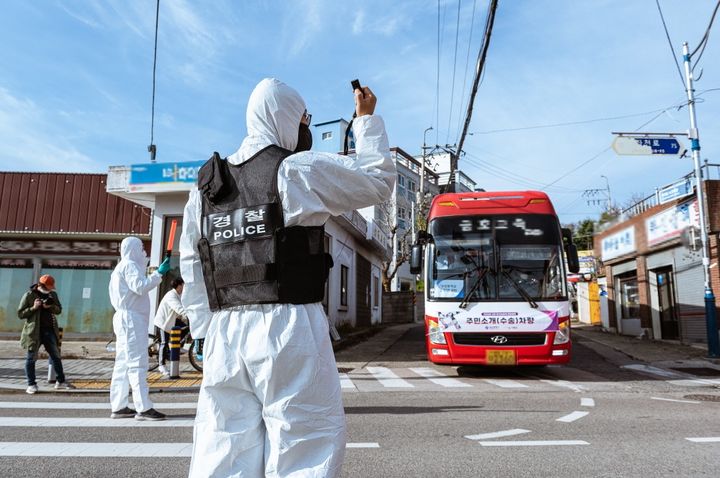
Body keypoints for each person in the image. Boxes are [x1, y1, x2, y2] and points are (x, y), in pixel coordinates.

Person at [180, 78, 395, 477]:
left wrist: (204, 328)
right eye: (303, 118)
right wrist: (365, 120)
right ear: (285, 117)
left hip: (225, 333)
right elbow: (377, 181)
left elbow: (193, 261)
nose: (305, 128)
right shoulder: (295, 171)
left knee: (223, 449)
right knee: (304, 447)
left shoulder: (207, 187)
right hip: (289, 327)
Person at [108, 236, 171, 421]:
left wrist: (152, 273)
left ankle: (118, 406)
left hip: (124, 318)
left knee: (123, 364)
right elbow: (140, 287)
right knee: (137, 363)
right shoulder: (129, 266)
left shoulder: (121, 267)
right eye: (141, 247)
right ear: (133, 248)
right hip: (131, 320)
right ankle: (143, 408)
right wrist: (158, 274)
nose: (143, 251)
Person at [18, 274, 75, 394]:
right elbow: (21, 314)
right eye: (49, 287)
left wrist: (50, 307)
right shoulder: (29, 295)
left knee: (56, 356)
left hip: (49, 330)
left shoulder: (52, 295)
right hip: (34, 332)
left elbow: (59, 309)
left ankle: (60, 381)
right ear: (42, 285)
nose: (51, 289)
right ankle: (31, 384)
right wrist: (34, 307)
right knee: (31, 358)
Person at [153, 276, 190, 376]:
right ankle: (161, 365)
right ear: (179, 286)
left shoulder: (178, 295)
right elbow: (178, 308)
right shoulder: (171, 295)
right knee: (164, 342)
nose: (184, 287)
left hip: (171, 321)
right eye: (183, 285)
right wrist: (189, 315)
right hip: (163, 322)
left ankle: (177, 345)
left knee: (186, 328)